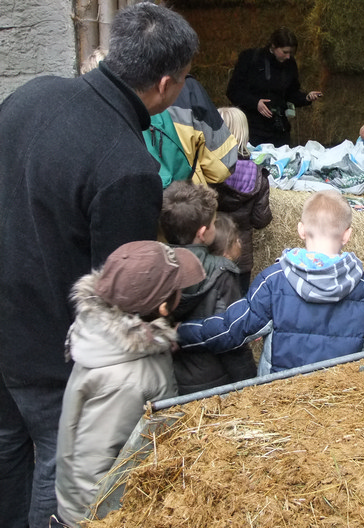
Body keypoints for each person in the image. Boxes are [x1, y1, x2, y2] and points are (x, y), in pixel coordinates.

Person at [0, 4, 198, 527]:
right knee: (55, 468)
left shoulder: (31, 94)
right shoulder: (127, 166)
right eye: (184, 79)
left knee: (7, 454)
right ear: (165, 85)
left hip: (6, 322)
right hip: (50, 352)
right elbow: (125, 294)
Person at [54, 241, 206, 527]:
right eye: (178, 288)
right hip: (102, 514)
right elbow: (92, 469)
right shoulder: (125, 379)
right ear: (163, 307)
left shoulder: (121, 342)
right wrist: (103, 521)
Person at [178, 190, 364, 376]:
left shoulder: (273, 281)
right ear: (347, 235)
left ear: (301, 230)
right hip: (341, 400)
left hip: (281, 398)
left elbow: (230, 329)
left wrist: (179, 333)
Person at [160, 181, 257, 394]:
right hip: (213, 381)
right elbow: (232, 334)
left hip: (167, 377)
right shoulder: (221, 271)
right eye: (213, 223)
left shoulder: (154, 265)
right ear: (203, 233)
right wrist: (250, 383)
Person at [226, 27, 323, 147]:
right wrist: (255, 103)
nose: (288, 56)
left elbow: (291, 94)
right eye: (285, 52)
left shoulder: (290, 64)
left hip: (279, 129)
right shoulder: (251, 58)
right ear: (273, 46)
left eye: (291, 53)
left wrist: (306, 97)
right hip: (252, 128)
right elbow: (233, 91)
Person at [214, 106, 273, 292]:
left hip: (209, 251)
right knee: (237, 302)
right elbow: (261, 220)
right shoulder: (258, 175)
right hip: (240, 256)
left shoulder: (204, 170)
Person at [145, 75, 240, 188]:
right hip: (183, 194)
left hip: (135, 193)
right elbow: (222, 167)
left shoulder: (126, 92)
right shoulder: (187, 88)